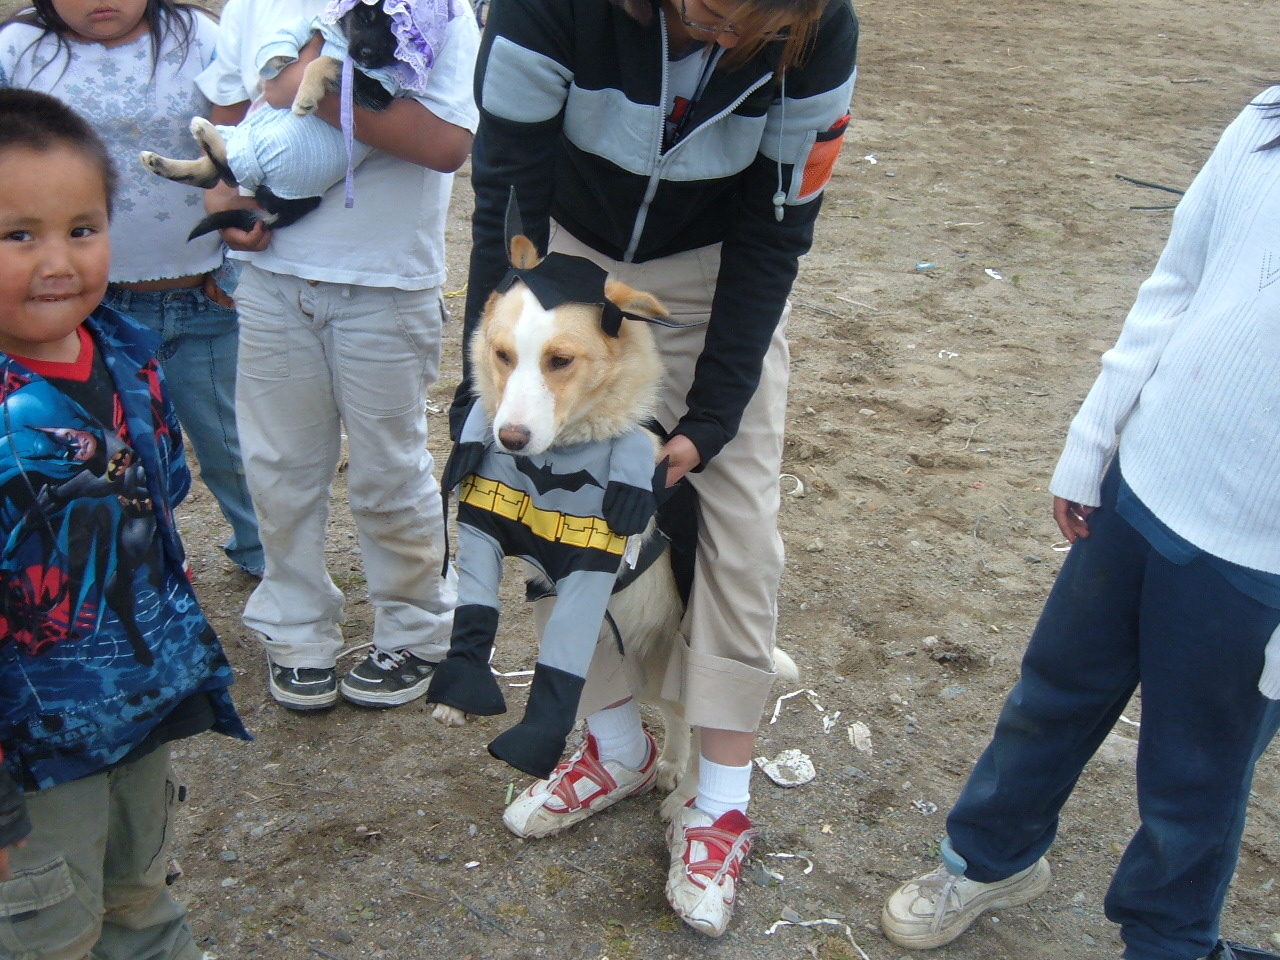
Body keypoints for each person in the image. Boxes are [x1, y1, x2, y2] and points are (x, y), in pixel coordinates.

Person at [452, 0, 858, 936]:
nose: (733, 33)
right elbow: (504, 186)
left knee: (740, 526)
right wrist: (491, 374)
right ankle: (616, 742)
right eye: (716, 8)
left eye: (764, 16)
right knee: (553, 502)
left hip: (716, 273)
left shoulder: (820, 26)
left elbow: (776, 234)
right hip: (569, 264)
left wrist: (714, 416)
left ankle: (718, 798)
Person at [879, 88, 1280, 960]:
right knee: (1053, 692)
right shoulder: (1261, 127)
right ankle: (989, 858)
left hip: (1257, 570)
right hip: (1143, 487)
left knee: (1197, 777)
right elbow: (1173, 284)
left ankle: (1168, 940)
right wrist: (1094, 440)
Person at [0, 88, 249, 960]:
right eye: (17, 236)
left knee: (140, 892)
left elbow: (165, 490)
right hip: (30, 753)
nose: (59, 261)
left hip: (139, 701)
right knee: (49, 931)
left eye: (81, 227)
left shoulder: (123, 349)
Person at [195, 0, 479, 711]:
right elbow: (226, 107)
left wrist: (300, 90)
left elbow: (448, 143)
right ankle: (295, 630)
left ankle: (416, 631)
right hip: (271, 282)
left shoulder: (431, 10)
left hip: (387, 285)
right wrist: (226, 195)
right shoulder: (254, 5)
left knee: (391, 469)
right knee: (278, 469)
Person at [0, 0, 266, 580]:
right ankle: (140, 558)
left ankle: (267, 554)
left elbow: (246, 139)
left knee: (234, 447)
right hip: (79, 317)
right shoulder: (17, 49)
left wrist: (228, 262)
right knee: (113, 455)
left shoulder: (200, 37)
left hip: (203, 296)